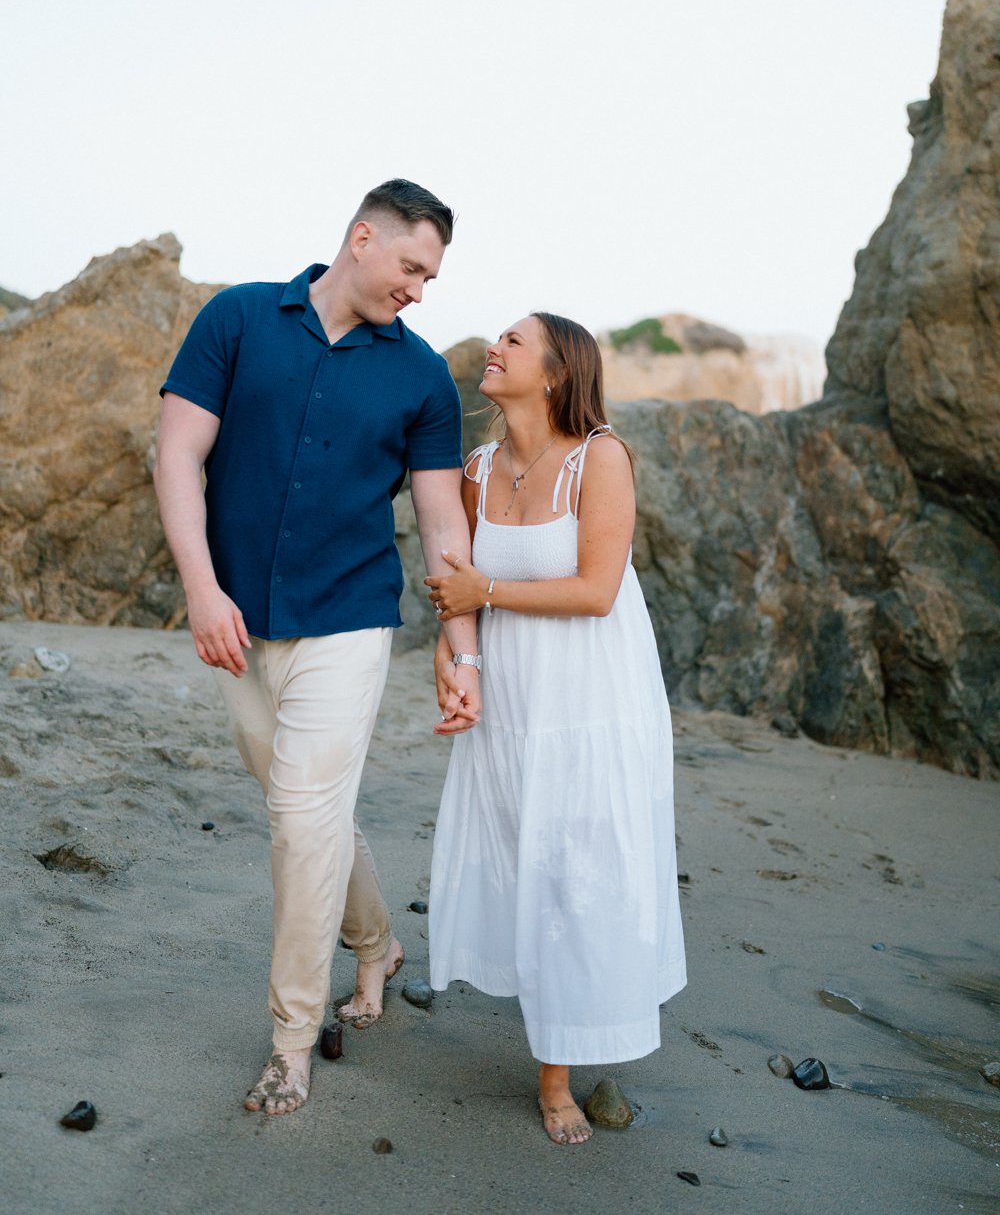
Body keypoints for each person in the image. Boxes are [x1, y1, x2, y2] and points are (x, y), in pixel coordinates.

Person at [154, 178, 481, 1116]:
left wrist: (464, 652)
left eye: (431, 276)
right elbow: (179, 453)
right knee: (307, 811)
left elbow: (441, 526)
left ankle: (291, 1043)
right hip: (235, 623)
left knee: (301, 823)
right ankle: (378, 942)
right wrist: (201, 589)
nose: (419, 289)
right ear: (362, 237)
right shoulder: (239, 319)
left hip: (348, 620)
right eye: (412, 266)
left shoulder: (422, 376)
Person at [424, 312, 686, 1146]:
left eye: (513, 341)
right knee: (520, 853)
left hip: (592, 697)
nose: (492, 347)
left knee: (579, 862)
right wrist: (455, 659)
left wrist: (481, 602)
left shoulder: (598, 459)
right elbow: (455, 592)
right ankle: (542, 1016)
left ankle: (557, 1073)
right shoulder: (476, 468)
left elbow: (596, 588)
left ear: (556, 374)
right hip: (513, 698)